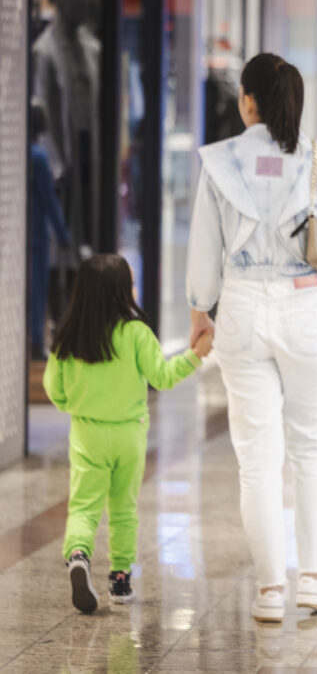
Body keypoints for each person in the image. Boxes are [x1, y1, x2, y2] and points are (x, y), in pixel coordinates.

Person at [186, 53, 317, 623]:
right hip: (306, 305)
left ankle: (270, 590)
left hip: (241, 306)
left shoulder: (219, 163)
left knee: (256, 459)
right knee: (314, 448)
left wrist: (201, 312)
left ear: (248, 101)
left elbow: (203, 249)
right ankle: (314, 581)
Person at [43, 254, 213, 613]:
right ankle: (120, 581)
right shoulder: (136, 332)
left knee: (84, 507)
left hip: (87, 434)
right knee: (123, 508)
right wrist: (196, 355)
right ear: (120, 292)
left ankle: (78, 554)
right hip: (129, 436)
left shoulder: (68, 337)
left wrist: (79, 403)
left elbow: (54, 391)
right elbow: (163, 377)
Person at [29, 101, 71, 359]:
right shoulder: (39, 157)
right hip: (37, 235)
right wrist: (63, 233)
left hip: (19, 235)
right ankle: (35, 343)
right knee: (37, 292)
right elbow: (48, 199)